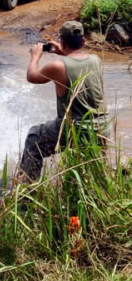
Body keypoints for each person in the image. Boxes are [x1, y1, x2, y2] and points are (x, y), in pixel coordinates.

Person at [18, 21, 109, 182]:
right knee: (90, 168)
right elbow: (76, 62)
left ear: (62, 41)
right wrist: (64, 52)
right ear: (83, 41)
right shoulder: (96, 60)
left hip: (76, 128)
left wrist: (35, 56)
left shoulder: (58, 66)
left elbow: (32, 76)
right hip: (102, 127)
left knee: (34, 138)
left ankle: (27, 190)